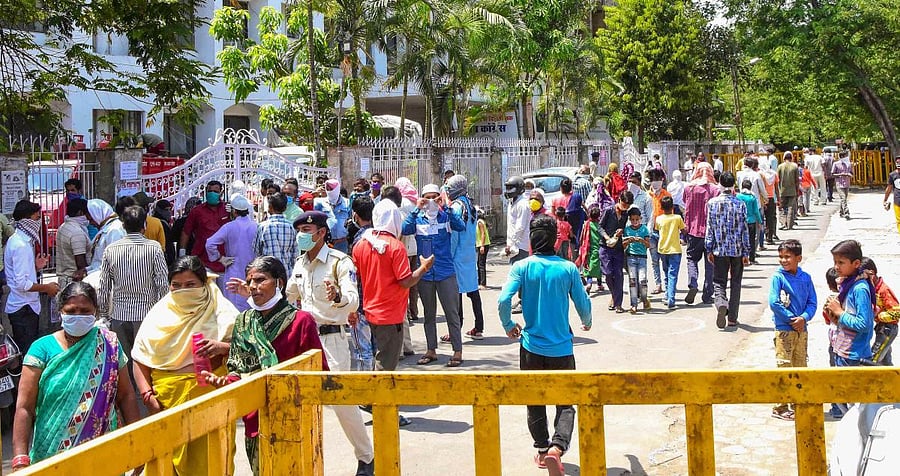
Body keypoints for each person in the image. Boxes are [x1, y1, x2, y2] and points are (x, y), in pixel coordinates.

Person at [207, 257, 326, 474]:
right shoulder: (244, 322)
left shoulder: (300, 321)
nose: (253, 287)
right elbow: (238, 367)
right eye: (250, 281)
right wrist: (225, 382)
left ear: (279, 283)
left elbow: (319, 372)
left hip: (293, 418)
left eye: (260, 280)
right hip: (255, 420)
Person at [281, 210, 375, 471]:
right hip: (303, 342)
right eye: (300, 231)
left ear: (321, 233)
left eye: (307, 232)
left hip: (332, 339)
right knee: (301, 397)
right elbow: (287, 299)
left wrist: (337, 298)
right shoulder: (300, 264)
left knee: (340, 400)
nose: (302, 236)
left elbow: (353, 300)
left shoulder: (339, 262)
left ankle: (366, 457)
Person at [498, 214, 591, 476]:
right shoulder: (568, 268)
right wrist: (587, 321)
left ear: (532, 240)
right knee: (565, 403)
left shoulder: (522, 267)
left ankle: (541, 451)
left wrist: (508, 325)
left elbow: (504, 299)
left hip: (530, 349)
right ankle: (557, 449)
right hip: (562, 348)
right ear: (556, 239)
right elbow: (582, 303)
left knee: (534, 401)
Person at [11, 282, 140, 471]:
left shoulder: (109, 344)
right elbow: (25, 407)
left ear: (95, 312)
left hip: (102, 452)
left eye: (85, 311)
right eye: (71, 311)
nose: (78, 316)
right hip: (51, 453)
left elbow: (126, 396)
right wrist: (20, 457)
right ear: (61, 311)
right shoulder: (42, 349)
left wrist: (136, 444)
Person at [132, 256, 238, 475]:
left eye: (190, 285)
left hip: (210, 399)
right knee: (165, 463)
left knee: (210, 462)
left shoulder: (224, 313)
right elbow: (140, 357)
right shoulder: (158, 316)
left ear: (204, 284)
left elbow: (247, 350)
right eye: (176, 286)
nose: (183, 291)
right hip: (165, 400)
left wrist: (222, 347)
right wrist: (147, 396)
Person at [354, 200, 434, 373]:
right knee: (386, 363)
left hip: (370, 311)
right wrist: (424, 268)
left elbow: (358, 275)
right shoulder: (395, 247)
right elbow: (405, 281)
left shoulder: (362, 244)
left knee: (377, 356)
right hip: (390, 315)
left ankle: (373, 397)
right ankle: (377, 399)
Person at [403, 184, 466, 366]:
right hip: (425, 274)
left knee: (451, 314)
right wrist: (417, 208)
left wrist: (444, 205)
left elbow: (460, 226)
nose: (431, 201)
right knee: (429, 314)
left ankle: (457, 351)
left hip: (445, 272)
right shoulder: (418, 219)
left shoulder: (446, 216)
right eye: (427, 197)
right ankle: (431, 350)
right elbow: (405, 229)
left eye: (434, 197)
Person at [98, 205, 169, 361]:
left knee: (123, 361)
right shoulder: (154, 248)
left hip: (119, 315)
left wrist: (104, 315)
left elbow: (104, 287)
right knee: (145, 359)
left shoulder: (111, 250)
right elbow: (163, 284)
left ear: (123, 225)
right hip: (147, 314)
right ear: (144, 225)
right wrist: (164, 312)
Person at [768, 239, 816, 420]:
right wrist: (791, 319)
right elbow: (774, 302)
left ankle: (798, 402)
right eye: (781, 257)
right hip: (784, 330)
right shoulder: (778, 278)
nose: (783, 260)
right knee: (784, 366)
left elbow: (812, 302)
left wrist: (804, 318)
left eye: (787, 257)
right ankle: (780, 407)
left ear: (798, 258)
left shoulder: (806, 278)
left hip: (802, 330)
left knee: (800, 365)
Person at [6, 200, 59, 355]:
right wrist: (47, 288)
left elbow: (20, 275)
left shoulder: (22, 242)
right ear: (27, 220)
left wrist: (35, 267)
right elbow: (22, 284)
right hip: (23, 308)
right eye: (36, 219)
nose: (39, 223)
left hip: (26, 306)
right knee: (28, 354)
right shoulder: (20, 245)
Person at [705, 172, 750, 329]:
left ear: (720, 183)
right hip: (737, 250)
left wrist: (709, 248)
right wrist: (746, 252)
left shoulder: (712, 203)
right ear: (733, 186)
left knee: (719, 281)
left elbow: (710, 228)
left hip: (719, 250)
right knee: (736, 282)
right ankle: (732, 318)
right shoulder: (740, 204)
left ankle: (721, 302)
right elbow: (745, 229)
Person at [446, 175, 486, 341]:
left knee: (456, 294)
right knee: (472, 290)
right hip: (469, 252)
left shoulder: (456, 207)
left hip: (458, 255)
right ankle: (479, 326)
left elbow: (454, 235)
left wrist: (449, 254)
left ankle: (457, 327)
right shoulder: (470, 204)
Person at [824, 240, 874, 366]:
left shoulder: (860, 289)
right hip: (843, 350)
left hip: (854, 355)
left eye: (841, 263)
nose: (836, 267)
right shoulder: (848, 283)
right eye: (835, 262)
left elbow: (864, 324)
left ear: (856, 263)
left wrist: (839, 312)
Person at [206, 195, 258, 311]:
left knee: (232, 310)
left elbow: (210, 243)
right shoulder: (256, 227)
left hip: (234, 271)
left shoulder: (229, 227)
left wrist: (219, 258)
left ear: (234, 211)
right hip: (253, 272)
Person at [683, 162, 719, 306]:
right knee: (710, 263)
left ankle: (693, 284)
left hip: (693, 230)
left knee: (692, 259)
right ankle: (707, 294)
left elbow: (685, 205)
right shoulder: (715, 190)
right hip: (711, 232)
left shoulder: (689, 188)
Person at [179, 181, 229, 272]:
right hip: (202, 261)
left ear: (221, 193)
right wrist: (182, 252)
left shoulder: (228, 209)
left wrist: (233, 213)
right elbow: (186, 231)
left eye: (215, 191)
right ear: (205, 192)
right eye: (210, 191)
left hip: (224, 261)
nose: (212, 194)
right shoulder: (197, 211)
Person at [859, 257, 899, 365]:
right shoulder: (872, 289)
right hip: (880, 327)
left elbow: (897, 312)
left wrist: (879, 315)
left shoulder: (883, 290)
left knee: (873, 360)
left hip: (888, 329)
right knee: (885, 362)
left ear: (871, 273)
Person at [599, 191, 633, 313]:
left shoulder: (625, 215)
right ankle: (614, 295)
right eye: (624, 204)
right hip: (605, 247)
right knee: (608, 273)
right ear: (619, 200)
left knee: (618, 275)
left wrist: (621, 232)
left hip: (618, 248)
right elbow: (600, 226)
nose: (626, 207)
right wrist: (607, 237)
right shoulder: (609, 211)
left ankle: (618, 303)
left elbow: (624, 228)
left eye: (628, 206)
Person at [504, 176, 531, 314]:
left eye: (511, 188)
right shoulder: (512, 202)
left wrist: (512, 243)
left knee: (520, 275)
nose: (508, 191)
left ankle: (525, 301)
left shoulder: (522, 204)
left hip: (520, 244)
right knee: (517, 274)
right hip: (514, 244)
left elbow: (520, 227)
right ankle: (521, 300)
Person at [253, 192, 297, 273]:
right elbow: (294, 253)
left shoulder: (263, 226)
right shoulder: (291, 227)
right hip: (287, 272)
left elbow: (256, 251)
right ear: (285, 208)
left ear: (270, 207)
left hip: (267, 273)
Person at [655, 196, 684, 310]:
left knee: (666, 273)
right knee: (673, 274)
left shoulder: (659, 219)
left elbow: (657, 230)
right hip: (675, 250)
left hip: (663, 249)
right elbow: (684, 229)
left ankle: (667, 294)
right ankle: (671, 298)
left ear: (661, 207)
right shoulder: (677, 218)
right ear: (672, 207)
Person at [55, 198, 90, 291]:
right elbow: (80, 263)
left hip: (64, 279)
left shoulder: (63, 227)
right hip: (74, 282)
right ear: (80, 212)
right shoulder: (76, 232)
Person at [647, 169, 671, 295]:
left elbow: (670, 215)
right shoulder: (647, 196)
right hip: (651, 232)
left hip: (663, 231)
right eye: (652, 179)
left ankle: (667, 284)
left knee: (665, 259)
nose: (655, 182)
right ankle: (658, 284)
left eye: (657, 179)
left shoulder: (666, 195)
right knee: (654, 260)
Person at [86, 199, 127, 273]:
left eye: (91, 219)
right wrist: (86, 270)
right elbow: (98, 261)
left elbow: (114, 263)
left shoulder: (114, 230)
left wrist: (87, 273)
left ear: (97, 215)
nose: (90, 223)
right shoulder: (106, 228)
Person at [623, 208, 650, 314]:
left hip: (642, 257)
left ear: (641, 219)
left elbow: (648, 245)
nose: (635, 222)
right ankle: (633, 304)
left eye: (637, 219)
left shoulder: (644, 229)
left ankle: (644, 298)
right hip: (631, 257)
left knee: (642, 280)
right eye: (632, 220)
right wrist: (628, 241)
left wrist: (642, 241)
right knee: (632, 281)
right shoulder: (627, 230)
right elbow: (623, 245)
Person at [576, 206, 604, 294]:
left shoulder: (587, 224)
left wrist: (580, 244)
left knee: (588, 267)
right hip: (598, 249)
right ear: (599, 216)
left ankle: (589, 283)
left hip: (587, 250)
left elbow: (582, 236)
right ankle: (599, 284)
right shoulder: (599, 226)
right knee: (598, 268)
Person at [737, 180, 763, 264]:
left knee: (740, 240)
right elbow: (756, 211)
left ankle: (741, 258)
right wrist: (760, 221)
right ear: (750, 187)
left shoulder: (738, 196)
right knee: (751, 240)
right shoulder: (752, 197)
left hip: (740, 222)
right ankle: (751, 258)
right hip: (751, 222)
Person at [323, 179, 351, 253]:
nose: (329, 191)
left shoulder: (347, 203)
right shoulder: (321, 203)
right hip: (325, 243)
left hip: (342, 243)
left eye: (331, 189)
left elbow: (351, 221)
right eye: (327, 189)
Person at [776, 152, 800, 230]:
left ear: (784, 158)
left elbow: (777, 179)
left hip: (782, 190)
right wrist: (797, 190)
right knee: (791, 208)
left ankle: (783, 223)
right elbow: (797, 180)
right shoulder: (795, 166)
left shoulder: (780, 166)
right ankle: (790, 224)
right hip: (792, 190)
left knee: (782, 207)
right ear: (791, 158)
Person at [832, 152, 853, 220]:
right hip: (839, 183)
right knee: (843, 198)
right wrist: (840, 174)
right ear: (842, 157)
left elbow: (851, 173)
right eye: (845, 156)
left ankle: (841, 212)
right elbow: (832, 174)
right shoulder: (836, 164)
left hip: (847, 183)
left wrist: (849, 174)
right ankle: (847, 213)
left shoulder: (849, 164)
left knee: (844, 199)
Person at [882, 156, 900, 236]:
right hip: (898, 200)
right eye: (897, 162)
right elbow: (889, 188)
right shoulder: (892, 175)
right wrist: (885, 199)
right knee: (899, 220)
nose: (898, 164)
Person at [476, 207, 490, 290]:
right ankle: (480, 281)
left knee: (481, 264)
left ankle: (483, 283)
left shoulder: (480, 222)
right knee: (479, 263)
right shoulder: (481, 221)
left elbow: (483, 234)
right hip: (481, 244)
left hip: (483, 245)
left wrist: (482, 246)